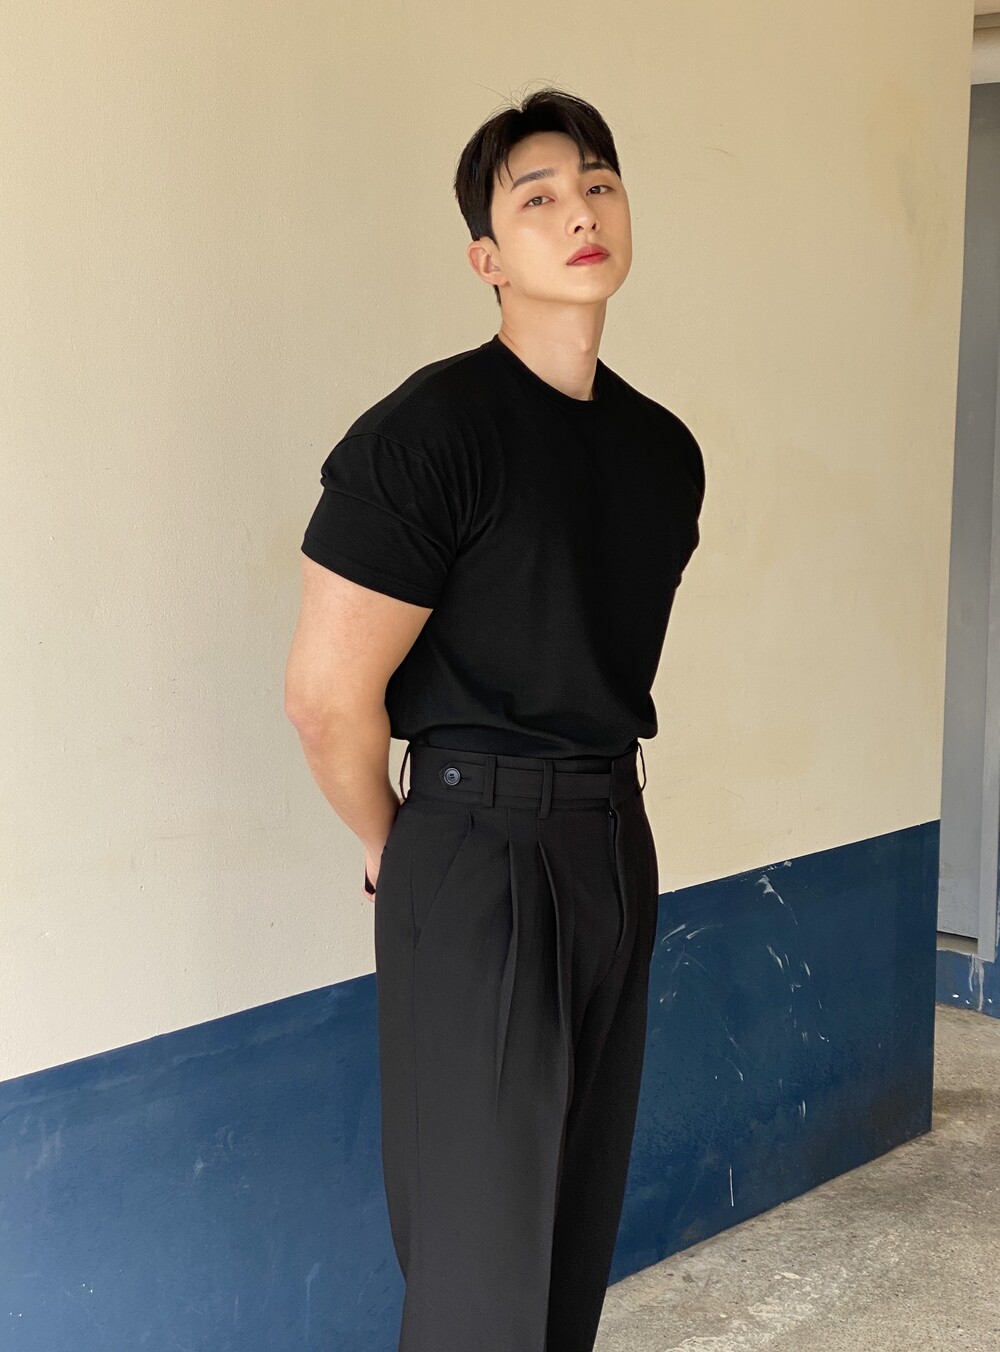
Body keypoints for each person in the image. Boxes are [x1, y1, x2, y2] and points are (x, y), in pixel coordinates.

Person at [285, 85, 705, 1352]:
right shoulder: (430, 436)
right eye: (539, 197)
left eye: (598, 185)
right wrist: (394, 842)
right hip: (474, 849)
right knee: (482, 1259)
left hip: (612, 837)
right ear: (487, 257)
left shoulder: (662, 450)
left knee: (572, 1228)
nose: (580, 213)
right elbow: (326, 696)